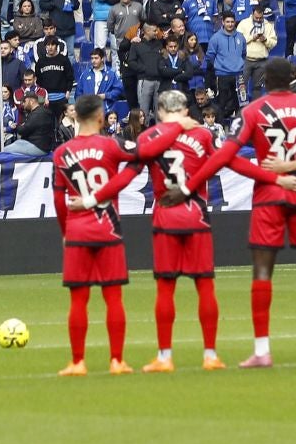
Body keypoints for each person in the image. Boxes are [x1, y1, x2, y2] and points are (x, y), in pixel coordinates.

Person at [174, 58, 296, 368]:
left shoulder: (252, 111)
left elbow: (224, 155)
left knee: (262, 272)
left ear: (264, 82)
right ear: (292, 80)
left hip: (267, 197)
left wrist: (188, 187)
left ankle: (262, 351)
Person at [92, 91, 236, 372]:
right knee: (205, 285)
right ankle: (210, 355)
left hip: (165, 218)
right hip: (197, 215)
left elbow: (127, 175)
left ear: (158, 112)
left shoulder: (149, 137)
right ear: (186, 110)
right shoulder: (202, 134)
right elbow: (223, 160)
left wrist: (95, 197)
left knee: (166, 289)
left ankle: (164, 356)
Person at [52, 94, 136, 376]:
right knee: (113, 297)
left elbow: (58, 199)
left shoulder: (61, 152)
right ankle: (117, 361)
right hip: (108, 228)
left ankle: (78, 362)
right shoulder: (112, 145)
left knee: (78, 299)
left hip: (77, 230)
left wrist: (65, 231)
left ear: (75, 116)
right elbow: (140, 157)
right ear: (101, 117)